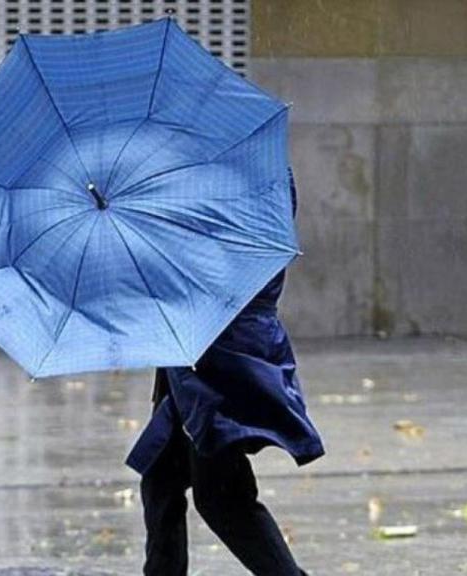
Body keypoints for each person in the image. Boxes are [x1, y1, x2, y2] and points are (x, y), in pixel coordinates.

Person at [126, 170, 322, 575]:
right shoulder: (217, 173)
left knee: (222, 498)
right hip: (199, 353)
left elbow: (218, 265)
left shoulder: (248, 181)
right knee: (161, 479)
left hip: (220, 359)